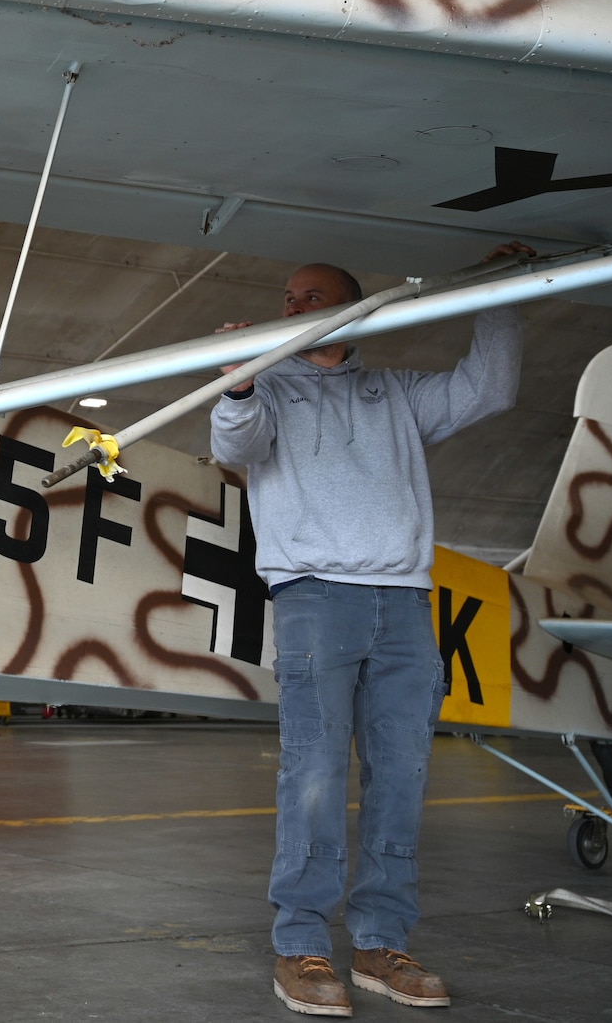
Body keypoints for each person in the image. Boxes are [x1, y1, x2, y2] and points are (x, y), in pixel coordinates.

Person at [212, 250, 526, 1017]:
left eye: (312, 297)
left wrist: (501, 297)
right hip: (316, 598)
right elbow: (235, 445)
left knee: (402, 774)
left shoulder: (394, 392)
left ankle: (382, 941)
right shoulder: (270, 387)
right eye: (287, 298)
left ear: (356, 310)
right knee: (313, 773)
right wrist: (240, 378)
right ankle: (300, 944)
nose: (293, 308)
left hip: (404, 605)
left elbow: (490, 387)